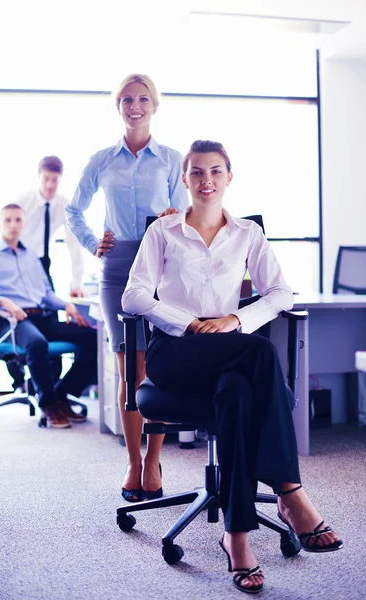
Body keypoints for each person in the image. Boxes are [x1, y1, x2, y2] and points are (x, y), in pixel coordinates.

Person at [122, 140, 343, 594]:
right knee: (260, 354)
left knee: (239, 393)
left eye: (216, 172)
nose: (206, 181)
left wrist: (235, 320)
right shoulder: (162, 233)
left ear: (228, 178)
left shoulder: (247, 234)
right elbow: (134, 297)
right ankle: (290, 493)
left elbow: (282, 293)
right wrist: (192, 323)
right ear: (184, 179)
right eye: (197, 172)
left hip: (226, 352)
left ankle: (236, 536)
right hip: (174, 352)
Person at [66, 74, 189, 502]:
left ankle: (154, 460)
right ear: (118, 106)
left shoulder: (172, 158)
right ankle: (133, 461)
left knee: (156, 367)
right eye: (126, 99)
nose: (134, 106)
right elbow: (73, 209)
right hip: (118, 266)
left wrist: (177, 216)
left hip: (161, 264)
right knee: (128, 369)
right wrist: (91, 242)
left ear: (155, 105)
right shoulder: (102, 159)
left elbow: (188, 214)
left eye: (142, 99)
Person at [0, 204, 97, 429]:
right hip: (13, 322)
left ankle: (63, 394)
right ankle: (48, 403)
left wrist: (67, 305)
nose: (13, 225)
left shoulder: (32, 258)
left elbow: (45, 294)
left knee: (92, 337)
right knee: (37, 343)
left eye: (18, 220)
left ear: (24, 224)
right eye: (7, 220)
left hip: (42, 317)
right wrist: (4, 302)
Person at [8, 156, 86, 392]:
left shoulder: (64, 204)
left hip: (43, 264)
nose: (50, 185)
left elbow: (74, 245)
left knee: (51, 322)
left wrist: (77, 281)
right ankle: (18, 375)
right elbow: (4, 230)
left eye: (55, 180)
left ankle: (51, 387)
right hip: (17, 263)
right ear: (39, 176)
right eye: (46, 179)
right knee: (20, 322)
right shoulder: (23, 201)